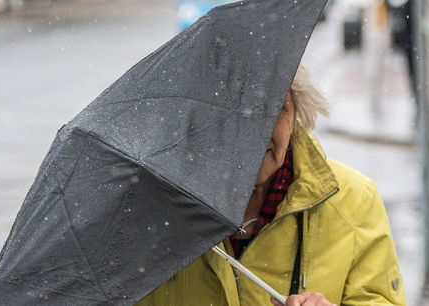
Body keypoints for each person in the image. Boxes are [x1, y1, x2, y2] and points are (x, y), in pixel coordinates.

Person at [137, 66, 406, 305]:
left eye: (274, 108)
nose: (255, 131)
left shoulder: (353, 201)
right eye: (233, 110)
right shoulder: (150, 212)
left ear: (298, 113)